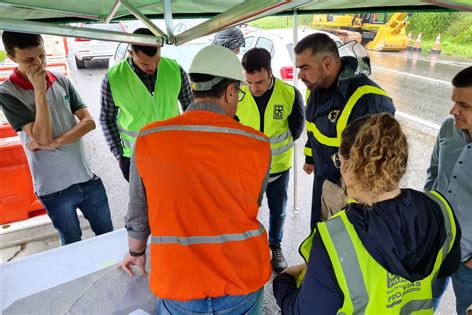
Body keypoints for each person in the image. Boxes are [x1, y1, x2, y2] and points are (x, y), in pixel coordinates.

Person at [120, 44, 271, 314]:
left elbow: (138, 209)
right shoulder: (257, 143)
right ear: (229, 92)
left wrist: (135, 253)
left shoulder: (149, 138)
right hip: (241, 280)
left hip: (178, 282)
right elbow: (252, 202)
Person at [273, 113, 461, 314]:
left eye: (339, 160)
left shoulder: (335, 239)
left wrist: (283, 281)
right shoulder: (440, 208)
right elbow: (448, 267)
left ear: (348, 166)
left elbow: (304, 311)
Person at [0, 31, 113, 245]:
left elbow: (89, 122)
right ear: (12, 58)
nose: (40, 64)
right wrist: (39, 91)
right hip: (53, 189)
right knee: (71, 242)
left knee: (107, 235)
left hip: (86, 178)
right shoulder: (7, 93)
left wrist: (56, 142)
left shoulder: (60, 79)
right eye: (29, 60)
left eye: (42, 55)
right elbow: (42, 137)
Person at [295, 33, 395, 229]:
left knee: (343, 251)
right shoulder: (315, 88)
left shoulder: (369, 100)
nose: (300, 75)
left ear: (327, 63)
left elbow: (378, 166)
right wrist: (311, 158)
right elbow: (314, 129)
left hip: (351, 196)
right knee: (320, 238)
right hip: (324, 180)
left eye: (305, 68)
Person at [238, 47, 305, 273]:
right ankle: (247, 249)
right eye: (249, 82)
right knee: (245, 213)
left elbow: (296, 129)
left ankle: (275, 247)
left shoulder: (290, 94)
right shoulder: (237, 92)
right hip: (247, 171)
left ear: (269, 72)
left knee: (278, 212)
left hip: (279, 169)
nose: (254, 88)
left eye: (259, 82)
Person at [99, 28, 192, 182]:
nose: (152, 67)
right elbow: (106, 119)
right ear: (131, 53)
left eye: (157, 60)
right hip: (136, 158)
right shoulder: (113, 78)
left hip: (174, 153)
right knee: (145, 205)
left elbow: (190, 108)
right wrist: (119, 155)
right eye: (145, 63)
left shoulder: (176, 70)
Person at [425, 65, 472, 314]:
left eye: (464, 106)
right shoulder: (448, 128)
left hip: (470, 261)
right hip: (435, 244)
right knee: (421, 305)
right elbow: (433, 173)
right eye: (454, 102)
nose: (453, 111)